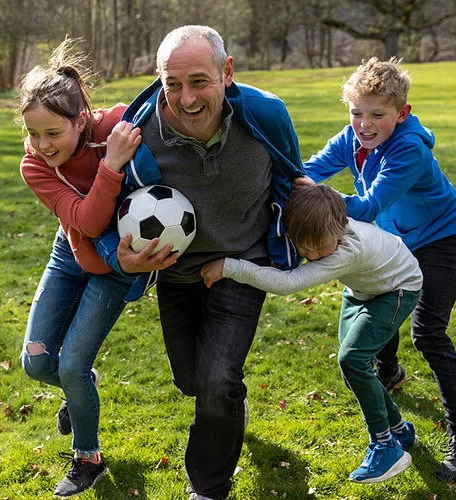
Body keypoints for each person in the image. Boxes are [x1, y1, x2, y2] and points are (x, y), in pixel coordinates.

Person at [94, 26, 306, 500]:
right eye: (172, 83)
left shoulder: (266, 115)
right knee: (193, 380)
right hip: (177, 272)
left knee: (217, 379)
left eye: (199, 81)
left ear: (227, 72)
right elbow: (104, 207)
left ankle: (207, 487)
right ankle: (230, 404)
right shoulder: (137, 134)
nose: (185, 98)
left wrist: (314, 220)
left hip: (241, 264)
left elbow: (293, 177)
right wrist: (120, 254)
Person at [296, 57, 456, 480]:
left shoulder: (408, 149)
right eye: (356, 112)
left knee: (429, 333)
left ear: (401, 113)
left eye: (377, 115)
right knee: (378, 299)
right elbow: (307, 172)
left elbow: (368, 206)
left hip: (442, 238)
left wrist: (318, 199)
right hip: (397, 239)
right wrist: (286, 187)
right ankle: (388, 371)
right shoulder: (351, 138)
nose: (364, 124)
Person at [201, 184, 423, 483]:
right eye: (305, 247)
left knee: (353, 360)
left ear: (340, 228)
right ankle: (400, 429)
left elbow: (287, 284)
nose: (313, 254)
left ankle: (385, 446)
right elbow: (316, 199)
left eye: (320, 246)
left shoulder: (347, 250)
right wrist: (312, 186)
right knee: (352, 370)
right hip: (362, 289)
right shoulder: (327, 220)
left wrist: (230, 267)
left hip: (398, 287)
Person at [17, 38, 142, 498]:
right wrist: (111, 167)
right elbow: (86, 221)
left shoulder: (113, 126)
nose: (44, 145)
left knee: (71, 364)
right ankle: (79, 389)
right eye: (35, 134)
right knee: (36, 362)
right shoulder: (35, 167)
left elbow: (152, 118)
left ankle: (88, 458)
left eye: (54, 133)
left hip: (116, 267)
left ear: (81, 119)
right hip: (70, 253)